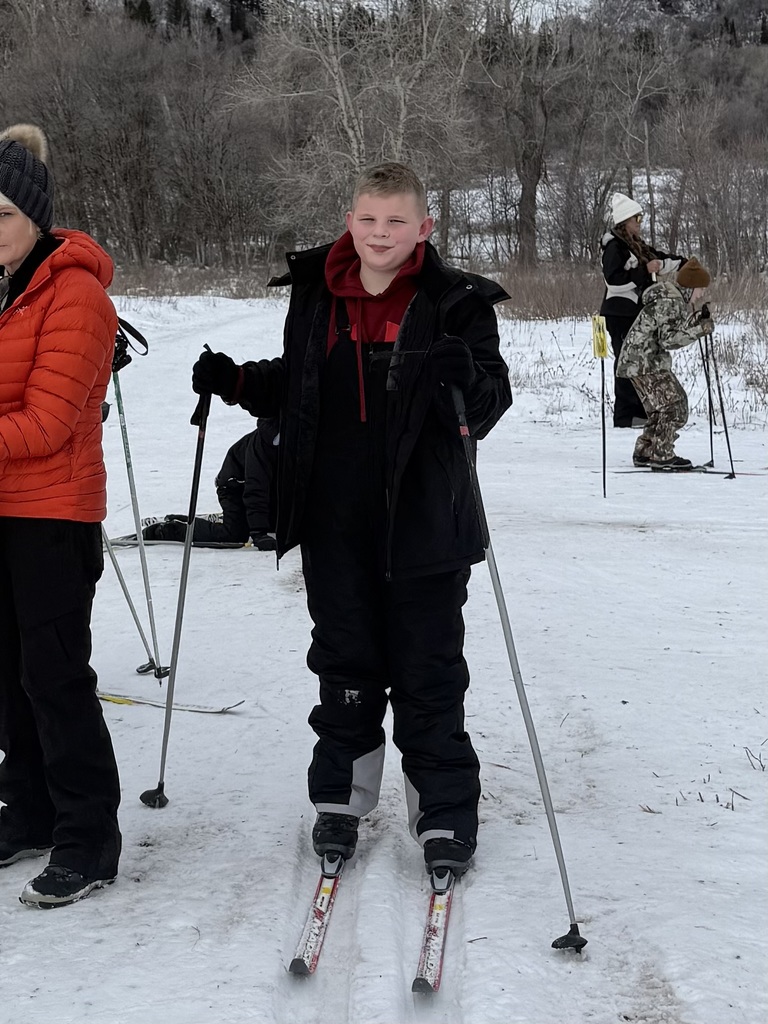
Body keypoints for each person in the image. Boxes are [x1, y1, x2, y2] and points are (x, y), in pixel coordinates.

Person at [192, 162, 511, 881]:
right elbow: (300, 383)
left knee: (429, 673)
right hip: (335, 519)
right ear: (350, 220)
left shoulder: (457, 302)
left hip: (425, 521)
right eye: (368, 219)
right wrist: (240, 382)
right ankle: (340, 800)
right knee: (345, 669)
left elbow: (487, 405)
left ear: (424, 228)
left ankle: (445, 814)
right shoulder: (316, 291)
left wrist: (467, 377)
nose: (379, 235)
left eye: (396, 222)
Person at [0, 124, 122, 907]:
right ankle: (32, 811)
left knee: (54, 679)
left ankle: (89, 838)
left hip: (52, 517)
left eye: (5, 214)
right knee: (10, 679)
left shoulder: (77, 294)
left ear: (38, 218)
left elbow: (45, 425)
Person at [600, 192, 687, 428]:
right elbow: (613, 280)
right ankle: (625, 416)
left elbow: (659, 259)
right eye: (636, 218)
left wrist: (684, 263)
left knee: (641, 363)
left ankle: (641, 412)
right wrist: (644, 271)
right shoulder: (614, 247)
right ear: (625, 221)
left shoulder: (636, 246)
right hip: (619, 314)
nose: (640, 222)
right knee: (626, 363)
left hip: (637, 315)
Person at [616, 258, 713, 470]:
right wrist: (700, 330)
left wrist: (695, 324)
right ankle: (662, 455)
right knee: (675, 406)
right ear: (691, 286)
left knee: (661, 409)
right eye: (700, 289)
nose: (701, 294)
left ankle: (646, 451)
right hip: (645, 362)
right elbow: (669, 339)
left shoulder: (669, 299)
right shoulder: (672, 302)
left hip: (637, 361)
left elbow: (667, 332)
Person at [142, 417, 278, 549]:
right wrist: (259, 532)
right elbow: (255, 488)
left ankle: (247, 518)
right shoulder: (265, 443)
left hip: (269, 488)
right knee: (234, 535)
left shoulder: (293, 438)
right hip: (234, 486)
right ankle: (170, 529)